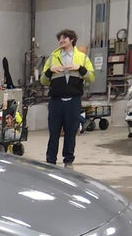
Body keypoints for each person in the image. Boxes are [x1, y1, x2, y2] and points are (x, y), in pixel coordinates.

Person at [40, 29, 95, 168]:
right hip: (56, 101)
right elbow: (43, 81)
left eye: (64, 38)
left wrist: (80, 68)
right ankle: (50, 161)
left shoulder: (82, 58)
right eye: (60, 38)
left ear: (72, 39)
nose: (61, 41)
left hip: (73, 100)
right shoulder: (52, 57)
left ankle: (68, 161)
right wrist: (49, 71)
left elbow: (91, 77)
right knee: (54, 132)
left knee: (71, 132)